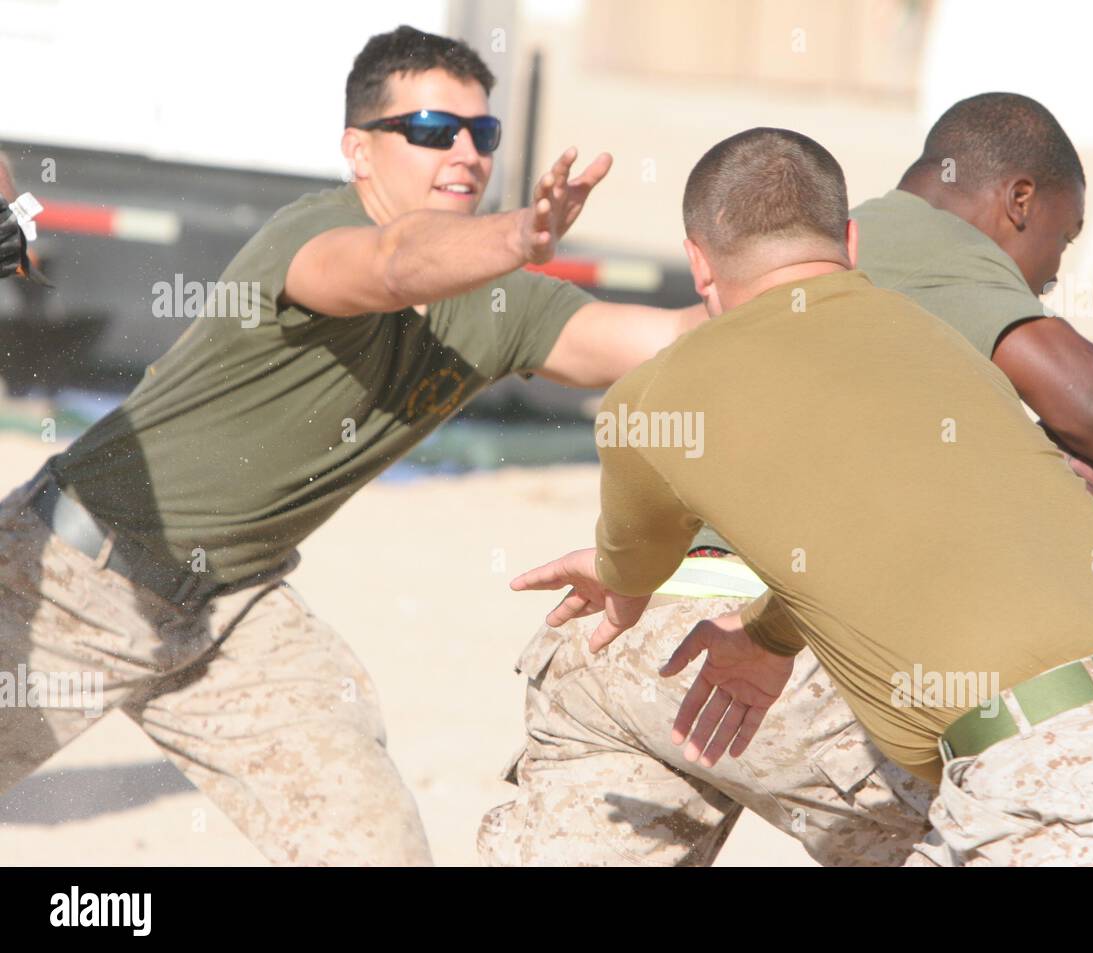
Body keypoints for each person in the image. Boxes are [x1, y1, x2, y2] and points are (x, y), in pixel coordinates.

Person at [0, 25, 701, 866]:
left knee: (375, 847)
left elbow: (666, 341)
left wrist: (800, 289)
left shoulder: (502, 301)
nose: (467, 153)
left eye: (485, 135)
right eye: (434, 131)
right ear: (358, 151)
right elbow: (396, 264)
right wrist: (522, 235)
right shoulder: (315, 237)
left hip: (231, 612)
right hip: (75, 576)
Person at [479, 94, 1093, 867]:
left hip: (658, 647)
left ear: (698, 260)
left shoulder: (675, 373)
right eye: (1062, 243)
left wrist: (628, 577)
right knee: (1007, 790)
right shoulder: (937, 314)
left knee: (587, 676)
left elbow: (637, 547)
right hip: (1050, 705)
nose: (1052, 275)